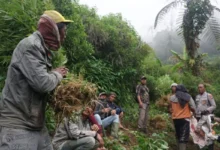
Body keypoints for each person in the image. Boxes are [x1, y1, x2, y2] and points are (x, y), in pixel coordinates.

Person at [0, 10, 72, 150]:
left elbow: (38, 81)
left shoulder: (41, 50)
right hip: (18, 126)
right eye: (64, 30)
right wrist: (57, 74)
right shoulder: (31, 46)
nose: (65, 35)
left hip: (35, 125)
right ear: (53, 30)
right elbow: (42, 83)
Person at [170, 84, 196, 150]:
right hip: (185, 119)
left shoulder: (172, 98)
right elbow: (193, 107)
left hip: (175, 119)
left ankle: (178, 147)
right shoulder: (188, 97)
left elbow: (171, 108)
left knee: (178, 135)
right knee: (183, 137)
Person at [195, 84, 216, 150]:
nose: (199, 89)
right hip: (199, 117)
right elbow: (197, 106)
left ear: (204, 88)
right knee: (199, 132)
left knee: (209, 132)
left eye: (201, 87)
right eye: (198, 87)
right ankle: (201, 147)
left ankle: (210, 147)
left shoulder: (208, 95)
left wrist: (207, 110)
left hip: (207, 116)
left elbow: (214, 106)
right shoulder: (197, 96)